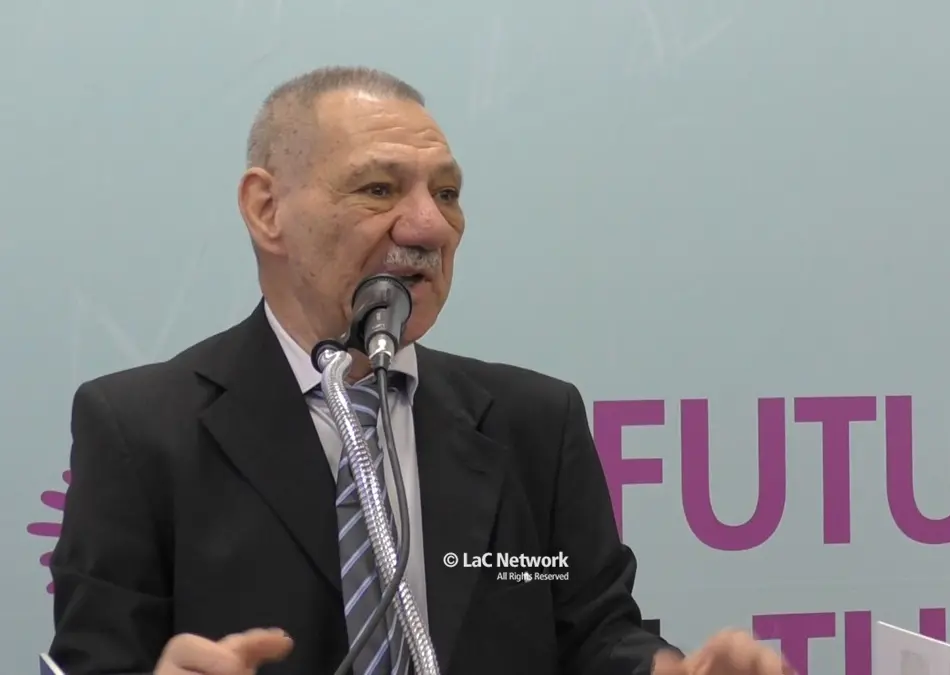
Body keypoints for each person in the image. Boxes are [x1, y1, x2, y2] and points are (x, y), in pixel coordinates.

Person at [49, 66, 789, 675]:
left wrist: (667, 672)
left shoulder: (533, 422)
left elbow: (596, 633)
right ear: (267, 209)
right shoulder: (142, 431)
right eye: (378, 189)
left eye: (447, 193)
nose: (430, 226)